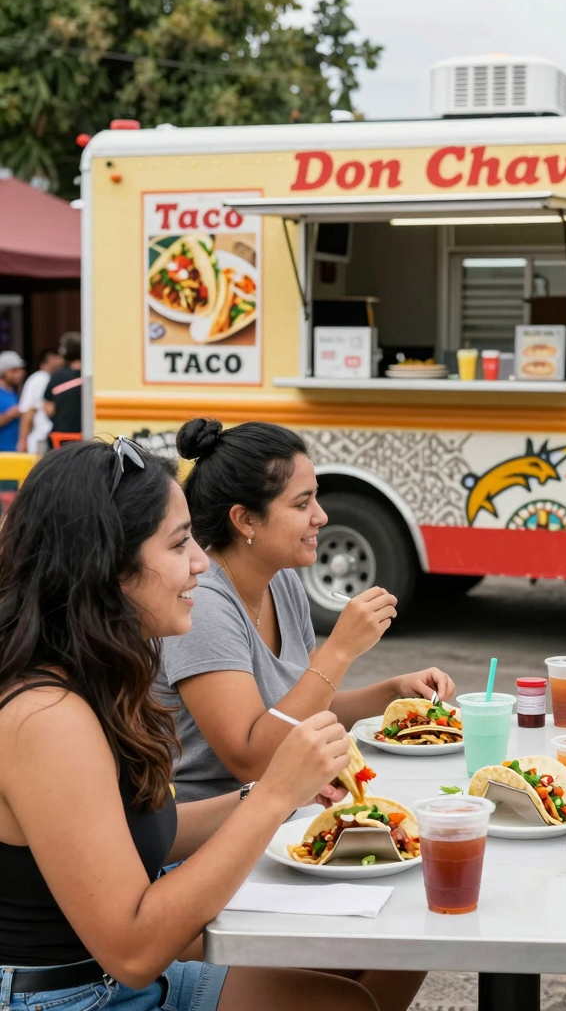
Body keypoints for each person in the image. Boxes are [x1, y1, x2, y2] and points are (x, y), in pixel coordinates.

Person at [0, 438, 415, 1011]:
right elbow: (134, 952)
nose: (200, 561)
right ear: (108, 566)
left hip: (112, 978)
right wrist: (272, 795)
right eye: (179, 543)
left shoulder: (97, 673)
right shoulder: (46, 718)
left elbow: (145, 830)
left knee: (366, 975)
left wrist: (272, 794)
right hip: (68, 994)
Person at [159, 418, 455, 802]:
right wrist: (340, 650)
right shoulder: (203, 604)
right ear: (245, 520)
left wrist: (394, 693)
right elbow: (252, 762)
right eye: (302, 504)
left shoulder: (281, 580)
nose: (321, 516)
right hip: (215, 821)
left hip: (286, 805)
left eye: (316, 497)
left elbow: (309, 706)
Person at [17, 348, 63, 454]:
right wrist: (23, 440)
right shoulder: (39, 379)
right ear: (44, 363)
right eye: (54, 358)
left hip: (53, 437)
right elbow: (28, 411)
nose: (59, 360)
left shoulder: (57, 379)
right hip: (41, 438)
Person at [43, 331, 82, 446]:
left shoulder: (57, 377)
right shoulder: (93, 378)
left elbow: (49, 410)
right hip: (87, 438)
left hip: (60, 439)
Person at [0, 350, 26, 452]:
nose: (20, 374)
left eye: (20, 370)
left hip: (15, 451)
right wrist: (10, 414)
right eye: (14, 371)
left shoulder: (15, 393)